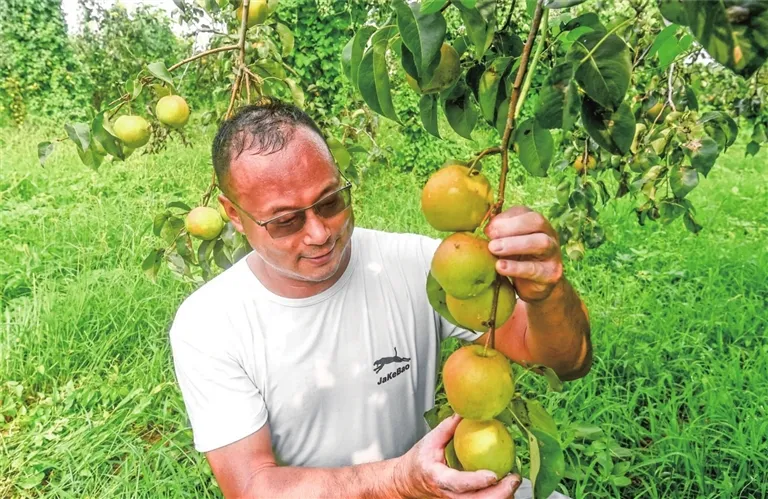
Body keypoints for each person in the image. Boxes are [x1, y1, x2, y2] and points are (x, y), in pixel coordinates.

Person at [169, 99, 592, 499]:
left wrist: (548, 292)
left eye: (331, 201)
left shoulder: (418, 265)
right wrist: (400, 480)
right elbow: (252, 487)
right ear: (233, 214)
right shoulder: (209, 325)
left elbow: (565, 362)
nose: (320, 233)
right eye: (285, 221)